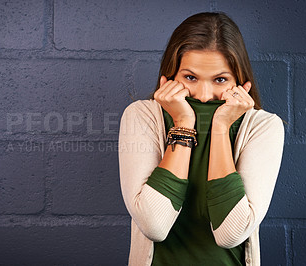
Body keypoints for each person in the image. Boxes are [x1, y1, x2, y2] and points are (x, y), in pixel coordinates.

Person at [118, 12, 284, 266]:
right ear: (170, 76)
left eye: (220, 80)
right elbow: (154, 225)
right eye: (190, 77)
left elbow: (232, 234)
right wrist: (183, 124)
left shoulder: (263, 126)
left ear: (240, 82)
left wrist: (219, 128)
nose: (204, 95)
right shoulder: (142, 116)